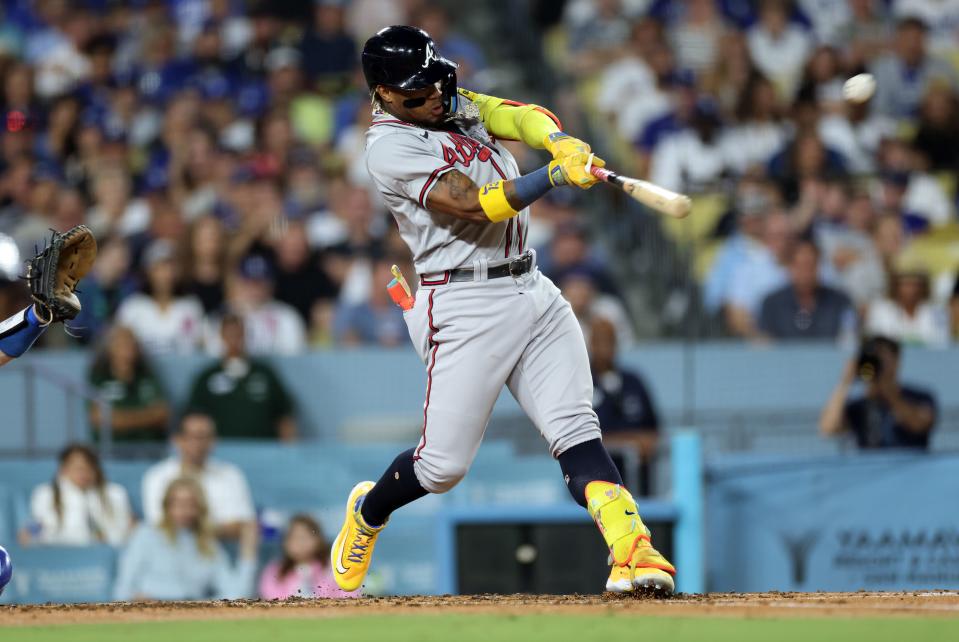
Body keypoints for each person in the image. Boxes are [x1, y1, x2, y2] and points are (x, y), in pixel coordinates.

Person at [329, 27, 675, 598]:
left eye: (434, 82)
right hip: (463, 305)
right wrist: (555, 175)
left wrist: (559, 141)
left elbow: (519, 115)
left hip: (530, 285)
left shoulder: (449, 103)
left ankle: (632, 550)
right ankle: (369, 511)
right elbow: (476, 205)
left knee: (576, 429)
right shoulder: (389, 148)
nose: (435, 97)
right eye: (417, 92)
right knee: (442, 468)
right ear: (385, 94)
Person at [114, 476, 257, 601]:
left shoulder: (208, 544)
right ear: (166, 506)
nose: (184, 510)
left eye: (191, 504)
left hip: (190, 617)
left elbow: (237, 594)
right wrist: (137, 601)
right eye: (178, 503)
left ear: (199, 508)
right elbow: (122, 590)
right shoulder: (145, 535)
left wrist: (248, 554)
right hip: (146, 614)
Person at [141, 413, 256, 539]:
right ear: (178, 440)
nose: (199, 443)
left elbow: (244, 526)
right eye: (193, 436)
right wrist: (211, 530)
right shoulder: (157, 476)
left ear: (214, 441)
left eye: (205, 437)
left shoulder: (231, 474)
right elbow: (159, 526)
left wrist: (194, 529)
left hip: (222, 552)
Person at [187, 313, 297, 440]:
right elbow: (194, 418)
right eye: (229, 334)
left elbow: (284, 416)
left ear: (245, 336)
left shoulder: (264, 374)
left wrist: (289, 451)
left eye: (238, 334)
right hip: (220, 450)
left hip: (263, 450)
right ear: (222, 336)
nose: (234, 339)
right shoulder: (207, 377)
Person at [819, 336, 937, 449]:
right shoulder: (860, 406)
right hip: (871, 467)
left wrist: (889, 393)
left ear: (897, 361)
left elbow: (919, 425)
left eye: (882, 359)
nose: (877, 365)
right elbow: (828, 429)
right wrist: (845, 382)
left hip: (911, 467)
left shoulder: (920, 397)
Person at [589, 318, 660, 497]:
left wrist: (644, 443)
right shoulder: (583, 384)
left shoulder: (634, 381)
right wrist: (629, 443)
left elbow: (653, 430)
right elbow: (584, 438)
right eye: (600, 341)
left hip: (639, 487)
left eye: (610, 341)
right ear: (591, 344)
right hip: (600, 487)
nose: (605, 347)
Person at [20, 444, 133, 546]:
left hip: (105, 553)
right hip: (58, 556)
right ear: (63, 469)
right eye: (78, 468)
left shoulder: (115, 493)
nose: (83, 473)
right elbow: (33, 530)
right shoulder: (45, 494)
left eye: (88, 467)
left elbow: (127, 528)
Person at [116, 238, 205, 355]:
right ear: (148, 272)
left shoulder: (191, 306)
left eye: (170, 268)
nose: (166, 274)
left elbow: (202, 345)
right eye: (159, 268)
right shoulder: (133, 307)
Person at [88, 325, 171, 446]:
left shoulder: (147, 375)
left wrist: (119, 419)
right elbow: (98, 418)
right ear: (110, 348)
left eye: (131, 344)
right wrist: (147, 417)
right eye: (121, 344)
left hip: (148, 448)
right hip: (113, 449)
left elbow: (163, 414)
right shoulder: (100, 377)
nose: (127, 350)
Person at [758, 239, 856, 341]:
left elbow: (848, 340)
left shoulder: (839, 301)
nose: (805, 272)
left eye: (810, 265)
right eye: (800, 266)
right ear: (790, 267)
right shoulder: (772, 304)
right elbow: (765, 344)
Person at [259, 514, 356, 600]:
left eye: (305, 537)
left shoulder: (333, 569)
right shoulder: (274, 570)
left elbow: (349, 595)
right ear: (285, 543)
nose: (300, 543)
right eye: (294, 537)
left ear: (318, 540)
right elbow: (269, 598)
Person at [864, 267, 950, 347]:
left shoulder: (936, 311)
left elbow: (940, 343)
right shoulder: (880, 310)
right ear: (896, 286)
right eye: (905, 284)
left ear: (923, 287)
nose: (911, 290)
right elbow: (880, 343)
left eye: (915, 284)